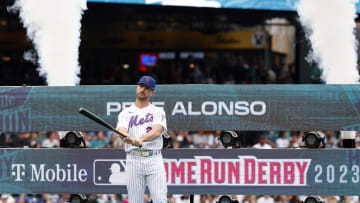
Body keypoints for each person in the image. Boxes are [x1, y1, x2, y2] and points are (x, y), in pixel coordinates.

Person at [116, 76, 168, 203]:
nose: (143, 89)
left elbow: (156, 131)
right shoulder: (125, 113)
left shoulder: (157, 111)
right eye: (141, 86)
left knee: (160, 200)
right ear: (137, 87)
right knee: (135, 201)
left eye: (147, 88)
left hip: (153, 158)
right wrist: (126, 136)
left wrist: (140, 139)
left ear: (152, 92)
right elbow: (121, 129)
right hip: (133, 159)